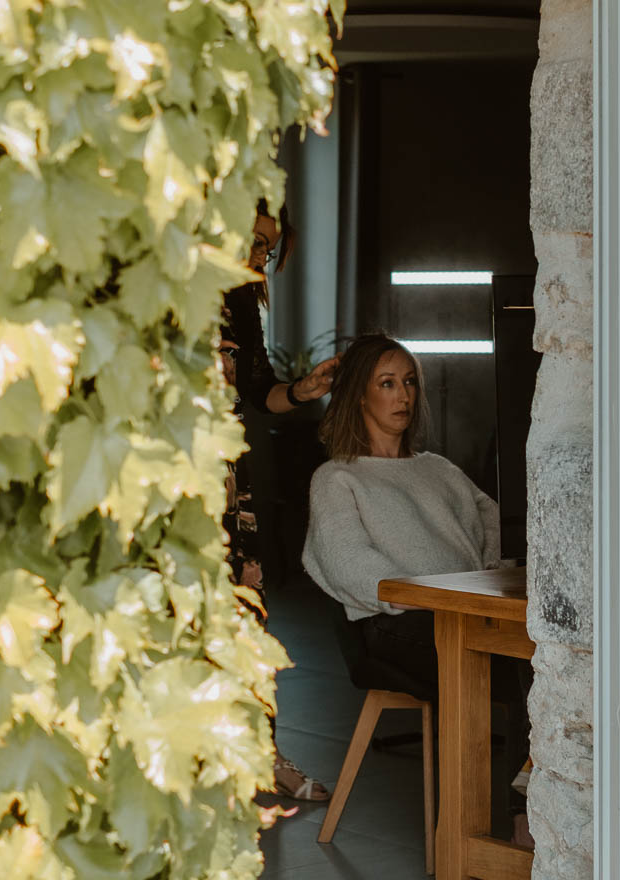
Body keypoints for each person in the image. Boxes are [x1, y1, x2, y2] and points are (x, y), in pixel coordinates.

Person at [301, 335, 531, 842]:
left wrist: (485, 574)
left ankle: (524, 816)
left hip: (460, 614)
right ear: (359, 396)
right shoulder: (337, 477)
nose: (402, 395)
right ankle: (481, 837)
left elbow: (492, 516)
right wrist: (433, 596)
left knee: (538, 657)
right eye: (387, 384)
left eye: (408, 382)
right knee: (502, 660)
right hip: (388, 627)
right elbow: (348, 562)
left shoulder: (439, 470)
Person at [220, 201, 338, 802]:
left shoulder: (242, 302)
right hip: (168, 481)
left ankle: (260, 754)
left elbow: (260, 392)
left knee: (249, 609)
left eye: (268, 249)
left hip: (233, 485)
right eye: (254, 239)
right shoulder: (169, 291)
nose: (259, 255)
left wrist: (303, 389)